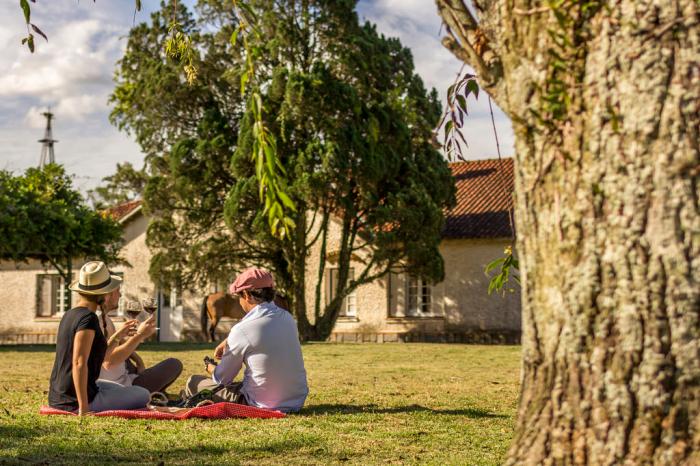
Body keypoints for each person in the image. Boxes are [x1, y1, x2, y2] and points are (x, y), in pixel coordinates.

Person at [184, 268, 308, 413]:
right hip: (296, 401)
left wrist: (211, 368)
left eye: (239, 296)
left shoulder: (242, 329)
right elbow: (263, 330)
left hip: (259, 403)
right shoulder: (288, 318)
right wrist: (228, 340)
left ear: (247, 295)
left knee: (194, 382)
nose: (239, 301)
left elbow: (222, 379)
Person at [48, 261, 151, 414]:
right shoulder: (88, 318)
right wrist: (84, 408)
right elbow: (79, 363)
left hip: (61, 395)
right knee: (143, 395)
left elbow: (100, 357)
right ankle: (86, 404)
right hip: (73, 401)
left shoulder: (71, 313)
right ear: (104, 294)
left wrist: (117, 336)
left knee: (125, 389)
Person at [98, 302, 183, 394]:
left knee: (171, 365)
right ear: (108, 294)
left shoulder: (104, 318)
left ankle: (154, 392)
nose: (120, 295)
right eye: (117, 291)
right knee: (174, 364)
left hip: (125, 372)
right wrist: (139, 335)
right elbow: (108, 360)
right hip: (121, 386)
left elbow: (117, 342)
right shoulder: (96, 321)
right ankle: (151, 393)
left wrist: (139, 360)